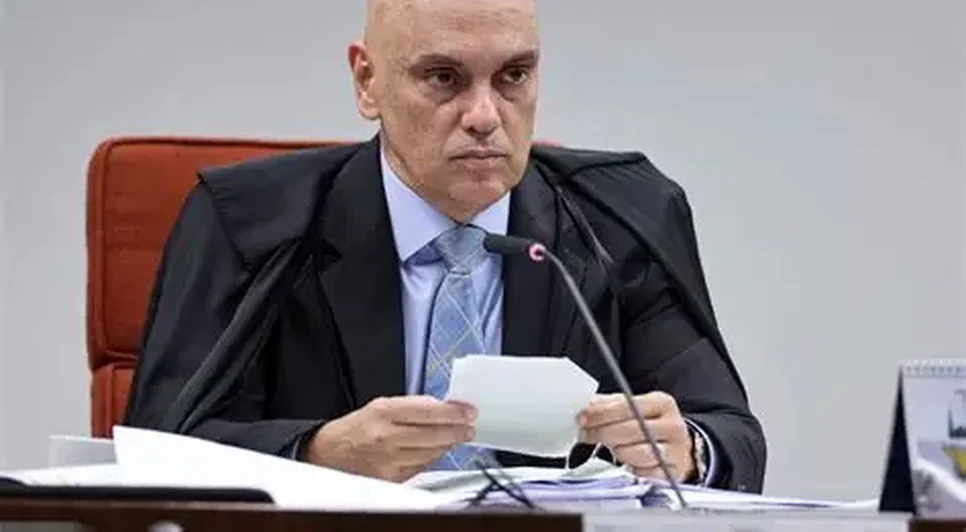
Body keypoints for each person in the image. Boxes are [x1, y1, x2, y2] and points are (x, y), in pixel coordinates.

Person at [123, 0, 767, 493]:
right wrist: (317, 454)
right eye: (443, 77)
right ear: (367, 81)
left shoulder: (620, 220)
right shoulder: (251, 225)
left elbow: (731, 436)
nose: (484, 115)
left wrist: (686, 449)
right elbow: (158, 452)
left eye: (513, 75)